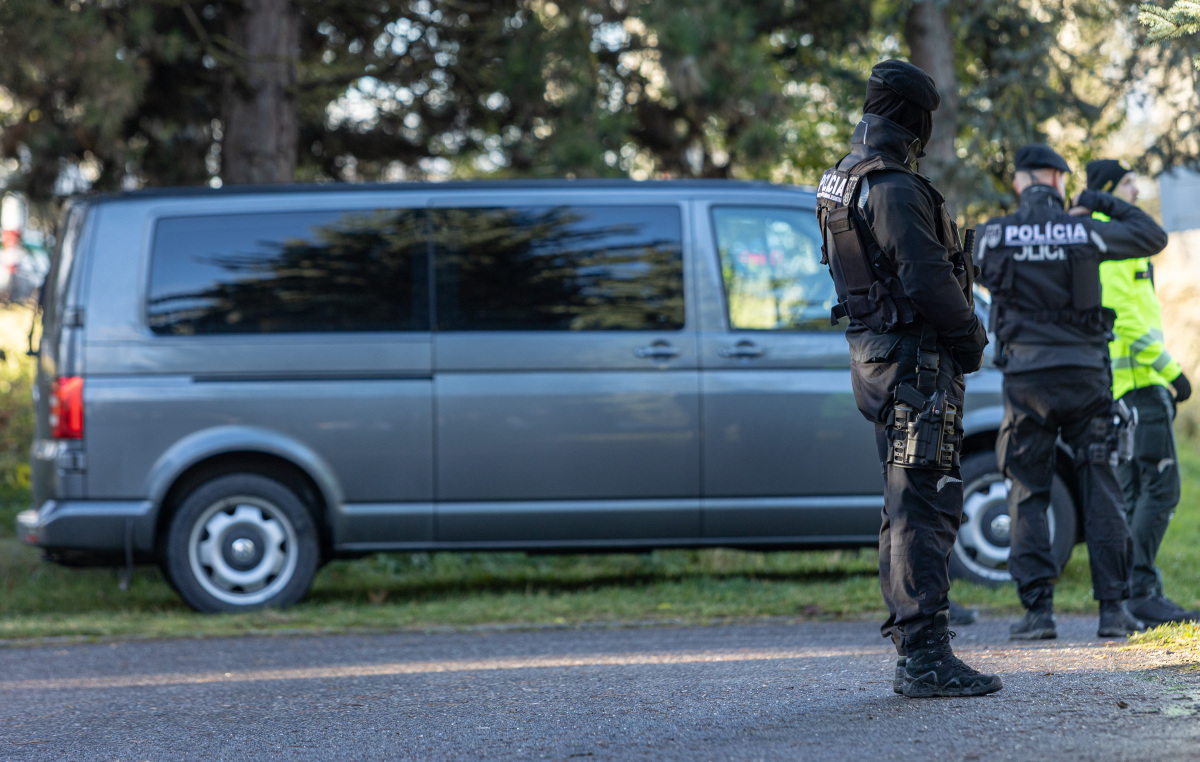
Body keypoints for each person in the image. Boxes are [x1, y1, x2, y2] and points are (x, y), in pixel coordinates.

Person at [816, 59, 1001, 698]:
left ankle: (913, 645)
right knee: (925, 506)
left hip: (877, 357)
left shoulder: (843, 180)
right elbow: (926, 279)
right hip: (916, 363)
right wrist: (971, 340)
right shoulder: (894, 186)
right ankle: (926, 658)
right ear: (909, 117)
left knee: (903, 505)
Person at [976, 145, 1169, 640]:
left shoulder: (995, 234)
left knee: (1028, 491)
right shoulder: (1084, 228)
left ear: (1019, 183)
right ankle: (1112, 611)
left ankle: (1039, 613)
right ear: (1061, 183)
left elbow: (951, 277)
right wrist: (1099, 202)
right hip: (1085, 377)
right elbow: (1153, 236)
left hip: (1026, 382)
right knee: (1101, 485)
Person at [1091, 159, 1200, 626]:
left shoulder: (1104, 233)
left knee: (1135, 491)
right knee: (1163, 488)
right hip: (1139, 384)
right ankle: (1142, 588)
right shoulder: (1115, 236)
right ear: (1113, 188)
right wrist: (1172, 373)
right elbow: (1128, 321)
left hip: (1125, 386)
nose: (1138, 189)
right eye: (1131, 182)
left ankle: (1136, 591)